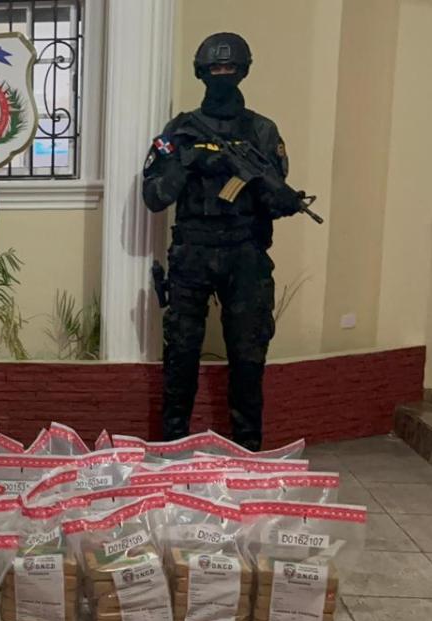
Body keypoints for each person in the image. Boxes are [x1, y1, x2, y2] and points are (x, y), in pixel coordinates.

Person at [141, 33, 305, 452]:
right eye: (215, 68)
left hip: (245, 252)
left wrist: (271, 194)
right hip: (192, 252)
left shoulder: (262, 131)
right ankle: (173, 445)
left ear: (243, 71)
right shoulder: (181, 130)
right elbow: (154, 196)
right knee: (181, 354)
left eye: (230, 68)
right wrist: (190, 162)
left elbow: (276, 199)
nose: (222, 74)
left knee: (249, 355)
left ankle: (248, 448)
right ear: (201, 72)